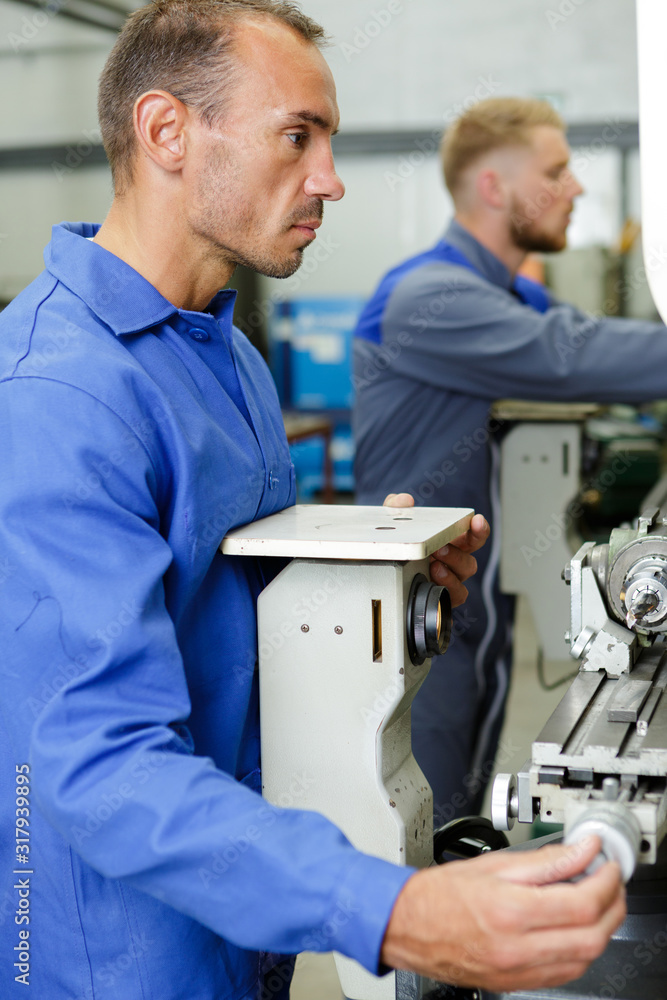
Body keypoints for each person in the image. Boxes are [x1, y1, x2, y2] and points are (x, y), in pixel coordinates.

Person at [0, 12, 625, 999]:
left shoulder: (225, 355)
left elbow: (224, 611)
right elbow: (98, 768)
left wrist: (379, 579)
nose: (331, 178)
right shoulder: (55, 397)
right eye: (299, 136)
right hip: (119, 956)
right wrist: (395, 909)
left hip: (248, 925)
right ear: (165, 132)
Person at [353, 96, 667, 821]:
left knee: (466, 806)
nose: (576, 188)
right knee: (419, 816)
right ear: (493, 187)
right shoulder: (427, 297)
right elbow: (568, 355)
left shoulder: (505, 290)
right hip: (414, 611)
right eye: (555, 171)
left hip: (472, 600)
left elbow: (578, 334)